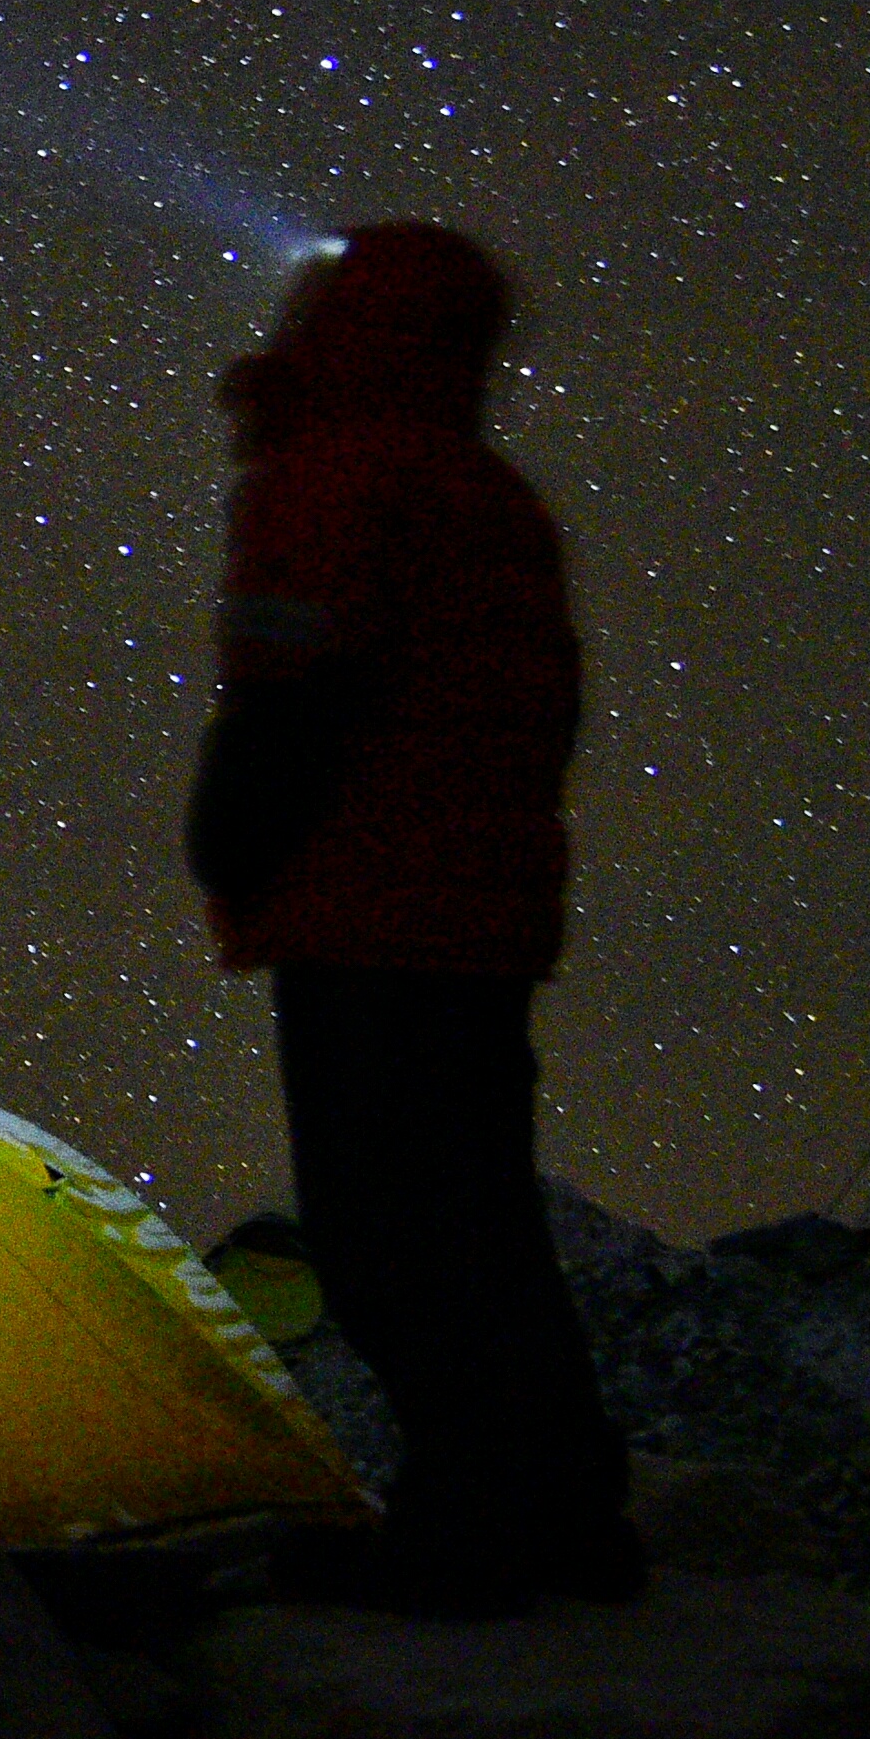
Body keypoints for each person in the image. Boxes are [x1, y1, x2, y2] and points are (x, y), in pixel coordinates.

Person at [182, 220, 642, 1612]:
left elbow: (293, 678)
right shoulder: (484, 489)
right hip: (472, 912)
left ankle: (480, 1533)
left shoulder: (343, 471)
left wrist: (233, 837)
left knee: (386, 1228)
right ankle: (547, 1510)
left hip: (367, 908)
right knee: (474, 1217)